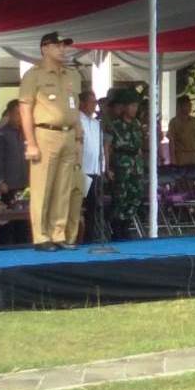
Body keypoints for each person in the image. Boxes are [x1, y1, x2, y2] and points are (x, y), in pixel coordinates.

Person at [19, 32, 82, 251]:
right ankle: (41, 236)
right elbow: (25, 109)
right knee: (42, 187)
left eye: (65, 46)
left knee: (64, 187)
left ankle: (58, 233)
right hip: (45, 134)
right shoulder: (33, 75)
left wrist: (79, 137)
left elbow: (76, 108)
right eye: (57, 45)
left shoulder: (72, 75)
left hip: (68, 134)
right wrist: (31, 142)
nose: (63, 49)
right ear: (44, 48)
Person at [106, 88, 144, 240]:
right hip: (121, 164)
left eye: (136, 106)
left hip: (136, 164)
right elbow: (107, 147)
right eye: (132, 106)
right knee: (120, 197)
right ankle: (117, 228)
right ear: (124, 107)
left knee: (135, 196)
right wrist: (107, 167)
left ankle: (127, 224)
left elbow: (139, 145)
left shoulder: (136, 124)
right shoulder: (115, 124)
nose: (134, 109)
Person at [77, 90, 105, 242]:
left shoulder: (96, 124)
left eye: (95, 102)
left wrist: (103, 167)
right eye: (91, 102)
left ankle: (90, 237)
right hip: (82, 170)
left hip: (95, 170)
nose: (94, 105)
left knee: (93, 206)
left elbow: (100, 147)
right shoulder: (77, 121)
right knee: (79, 205)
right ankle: (77, 237)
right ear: (82, 103)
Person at [0, 100, 28, 203]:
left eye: (23, 114)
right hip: (10, 184)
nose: (20, 117)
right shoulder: (1, 134)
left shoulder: (28, 133)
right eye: (17, 114)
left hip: (26, 183)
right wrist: (1, 181)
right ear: (9, 114)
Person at [167, 95, 195, 166]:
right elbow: (171, 141)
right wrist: (173, 160)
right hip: (181, 157)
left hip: (193, 156)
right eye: (187, 105)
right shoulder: (174, 122)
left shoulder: (194, 121)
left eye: (190, 104)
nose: (190, 107)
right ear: (181, 106)